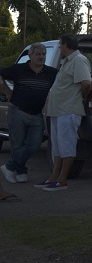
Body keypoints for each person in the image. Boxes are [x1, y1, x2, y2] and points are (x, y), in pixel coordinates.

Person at [36, 34, 92, 191]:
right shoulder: (66, 62)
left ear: (66, 45)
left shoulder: (79, 60)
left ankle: (62, 180)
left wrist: (80, 98)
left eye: (60, 44)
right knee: (58, 147)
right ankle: (53, 177)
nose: (59, 47)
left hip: (69, 110)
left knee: (67, 145)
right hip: (57, 110)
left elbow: (86, 83)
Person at [0, 43, 58, 184]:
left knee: (35, 143)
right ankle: (21, 172)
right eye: (38, 54)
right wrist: (7, 91)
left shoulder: (51, 73)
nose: (41, 57)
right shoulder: (18, 69)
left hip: (37, 114)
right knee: (17, 145)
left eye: (43, 54)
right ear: (30, 55)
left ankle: (9, 167)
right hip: (18, 111)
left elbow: (66, 78)